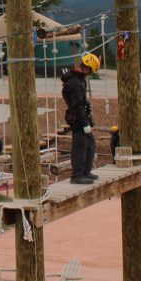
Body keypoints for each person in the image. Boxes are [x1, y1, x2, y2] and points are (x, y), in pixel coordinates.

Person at [62, 53, 101, 185]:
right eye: (90, 70)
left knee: (90, 144)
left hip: (81, 117)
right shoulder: (75, 83)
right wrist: (84, 123)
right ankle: (77, 175)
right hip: (78, 119)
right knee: (79, 146)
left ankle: (85, 171)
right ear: (87, 68)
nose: (90, 73)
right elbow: (77, 105)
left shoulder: (78, 80)